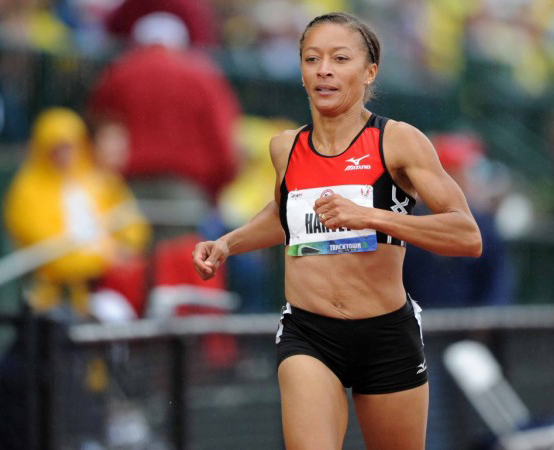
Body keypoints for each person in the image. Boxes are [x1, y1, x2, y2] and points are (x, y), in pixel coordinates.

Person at [192, 12, 482, 450]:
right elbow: (284, 213)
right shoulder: (285, 147)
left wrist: (372, 217)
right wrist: (227, 243)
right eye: (312, 59)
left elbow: (466, 235)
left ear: (369, 73)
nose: (324, 69)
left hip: (385, 334)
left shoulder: (398, 141)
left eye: (339, 58)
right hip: (310, 333)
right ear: (302, 73)